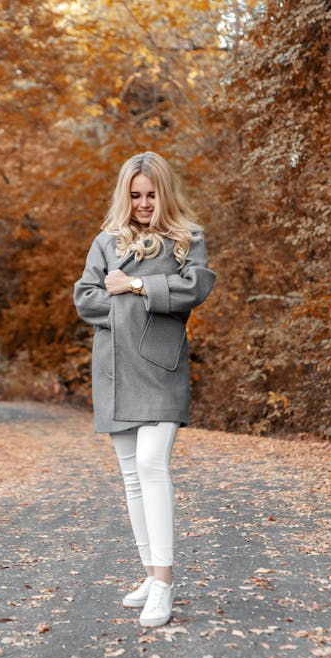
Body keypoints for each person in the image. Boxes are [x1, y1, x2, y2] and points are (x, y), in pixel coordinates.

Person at [73, 151, 216, 627]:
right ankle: (150, 574)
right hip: (114, 371)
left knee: (154, 465)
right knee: (132, 477)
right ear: (125, 196)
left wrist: (133, 285)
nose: (143, 203)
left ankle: (165, 583)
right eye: (135, 195)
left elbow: (192, 290)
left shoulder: (186, 240)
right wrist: (134, 295)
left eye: (151, 194)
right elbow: (85, 297)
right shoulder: (106, 241)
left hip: (160, 368)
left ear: (164, 193)